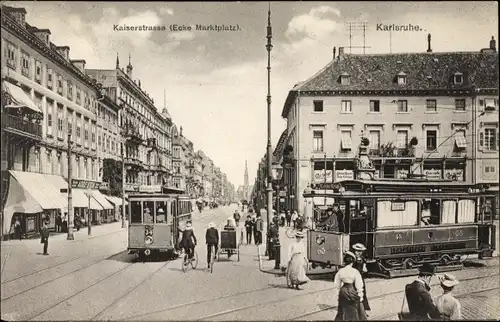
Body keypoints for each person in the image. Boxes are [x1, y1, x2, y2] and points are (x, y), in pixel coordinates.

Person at [334, 251, 367, 321]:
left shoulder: (340, 271)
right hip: (351, 290)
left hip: (343, 292)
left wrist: (338, 295)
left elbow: (337, 285)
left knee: (342, 310)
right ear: (352, 262)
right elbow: (359, 285)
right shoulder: (355, 271)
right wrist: (360, 297)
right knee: (356, 308)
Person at [352, 243, 371, 314]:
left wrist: (364, 269)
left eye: (360, 251)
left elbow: (365, 269)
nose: (358, 253)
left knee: (362, 294)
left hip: (360, 279)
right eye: (357, 251)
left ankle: (363, 310)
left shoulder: (363, 259)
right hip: (353, 279)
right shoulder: (353, 259)